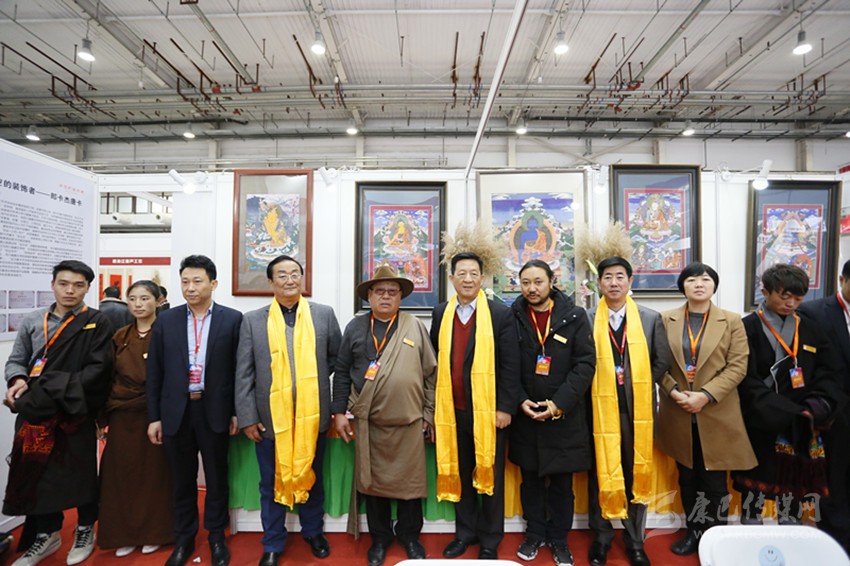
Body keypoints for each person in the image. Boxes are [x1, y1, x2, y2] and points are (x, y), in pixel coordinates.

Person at [3, 260, 114, 566]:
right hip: (36, 411)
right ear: (53, 284)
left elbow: (99, 369)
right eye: (64, 283)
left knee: (80, 472)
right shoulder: (33, 320)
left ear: (88, 288)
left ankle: (85, 529)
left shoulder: (96, 322)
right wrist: (17, 380)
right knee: (37, 473)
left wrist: (55, 390)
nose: (70, 291)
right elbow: (17, 360)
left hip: (74, 410)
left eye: (78, 285)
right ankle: (47, 534)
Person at [235, 255, 342, 566]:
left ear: (302, 278)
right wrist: (247, 417)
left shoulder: (323, 315)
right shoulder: (253, 320)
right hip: (270, 419)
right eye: (282, 275)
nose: (290, 279)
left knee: (312, 476)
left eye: (295, 273)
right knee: (270, 481)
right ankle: (272, 542)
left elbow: (336, 359)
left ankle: (313, 532)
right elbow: (244, 373)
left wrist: (311, 384)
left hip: (313, 416)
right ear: (271, 282)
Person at [332, 264, 436, 566]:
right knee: (373, 484)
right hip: (369, 422)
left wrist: (429, 413)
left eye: (392, 291)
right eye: (380, 291)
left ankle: (409, 536)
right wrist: (338, 412)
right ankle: (379, 538)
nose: (386, 296)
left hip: (409, 422)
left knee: (410, 486)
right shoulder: (355, 328)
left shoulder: (414, 326)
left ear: (401, 297)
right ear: (370, 296)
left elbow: (431, 373)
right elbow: (342, 372)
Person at [146, 255, 243, 566]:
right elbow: (155, 372)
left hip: (214, 410)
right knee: (182, 479)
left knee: (216, 477)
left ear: (213, 283)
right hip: (176, 411)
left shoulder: (232, 319)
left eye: (197, 281)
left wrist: (236, 411)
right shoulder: (166, 320)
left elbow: (239, 371)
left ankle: (216, 536)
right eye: (185, 281)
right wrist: (154, 417)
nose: (190, 287)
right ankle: (184, 538)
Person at [656, 263, 756, 556]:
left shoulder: (732, 321)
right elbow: (656, 362)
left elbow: (738, 366)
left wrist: (705, 395)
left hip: (717, 411)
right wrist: (674, 391)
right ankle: (694, 532)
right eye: (691, 279)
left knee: (714, 482)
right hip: (678, 411)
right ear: (682, 286)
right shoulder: (665, 319)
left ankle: (717, 536)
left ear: (714, 285)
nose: (699, 284)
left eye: (705, 279)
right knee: (687, 478)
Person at [735, 264, 845, 527]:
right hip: (761, 418)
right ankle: (750, 528)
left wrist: (815, 406)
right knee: (754, 485)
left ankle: (790, 525)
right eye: (784, 297)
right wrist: (777, 409)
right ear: (765, 291)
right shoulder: (746, 327)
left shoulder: (810, 328)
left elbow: (829, 372)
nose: (791, 304)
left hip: (800, 419)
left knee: (792, 486)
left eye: (798, 298)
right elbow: (743, 377)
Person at [430, 251, 521, 560]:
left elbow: (511, 365)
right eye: (462, 273)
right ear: (451, 278)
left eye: (473, 274)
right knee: (461, 472)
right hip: (452, 411)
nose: (467, 279)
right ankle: (465, 533)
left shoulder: (499, 314)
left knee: (490, 475)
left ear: (482, 278)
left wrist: (505, 407)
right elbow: (434, 360)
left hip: (489, 412)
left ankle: (490, 540)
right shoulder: (441, 313)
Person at [509, 260, 595, 566]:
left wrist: (558, 404)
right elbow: (506, 364)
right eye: (526, 283)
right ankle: (534, 534)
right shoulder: (512, 316)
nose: (532, 289)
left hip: (563, 417)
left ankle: (559, 539)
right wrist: (520, 400)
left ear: (551, 282)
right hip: (527, 415)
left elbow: (585, 365)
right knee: (530, 482)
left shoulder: (575, 316)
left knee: (561, 485)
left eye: (538, 282)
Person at [586, 257, 669, 566]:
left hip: (638, 412)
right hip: (598, 411)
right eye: (607, 277)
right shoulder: (587, 318)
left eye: (620, 276)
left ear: (630, 281)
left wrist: (637, 385)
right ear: (599, 283)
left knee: (637, 473)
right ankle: (602, 537)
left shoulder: (650, 318)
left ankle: (635, 541)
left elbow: (661, 361)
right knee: (600, 473)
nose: (614, 283)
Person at [98, 281, 174, 556]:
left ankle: (155, 532)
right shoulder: (120, 336)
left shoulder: (167, 333)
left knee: (155, 475)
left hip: (155, 414)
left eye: (145, 298)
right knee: (121, 475)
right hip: (122, 414)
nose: (138, 304)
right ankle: (125, 534)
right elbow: (107, 376)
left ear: (158, 301)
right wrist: (101, 417)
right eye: (133, 299)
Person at [797, 259, 850, 553]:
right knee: (836, 478)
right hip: (836, 411)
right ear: (842, 280)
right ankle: (836, 544)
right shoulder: (814, 312)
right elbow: (810, 365)